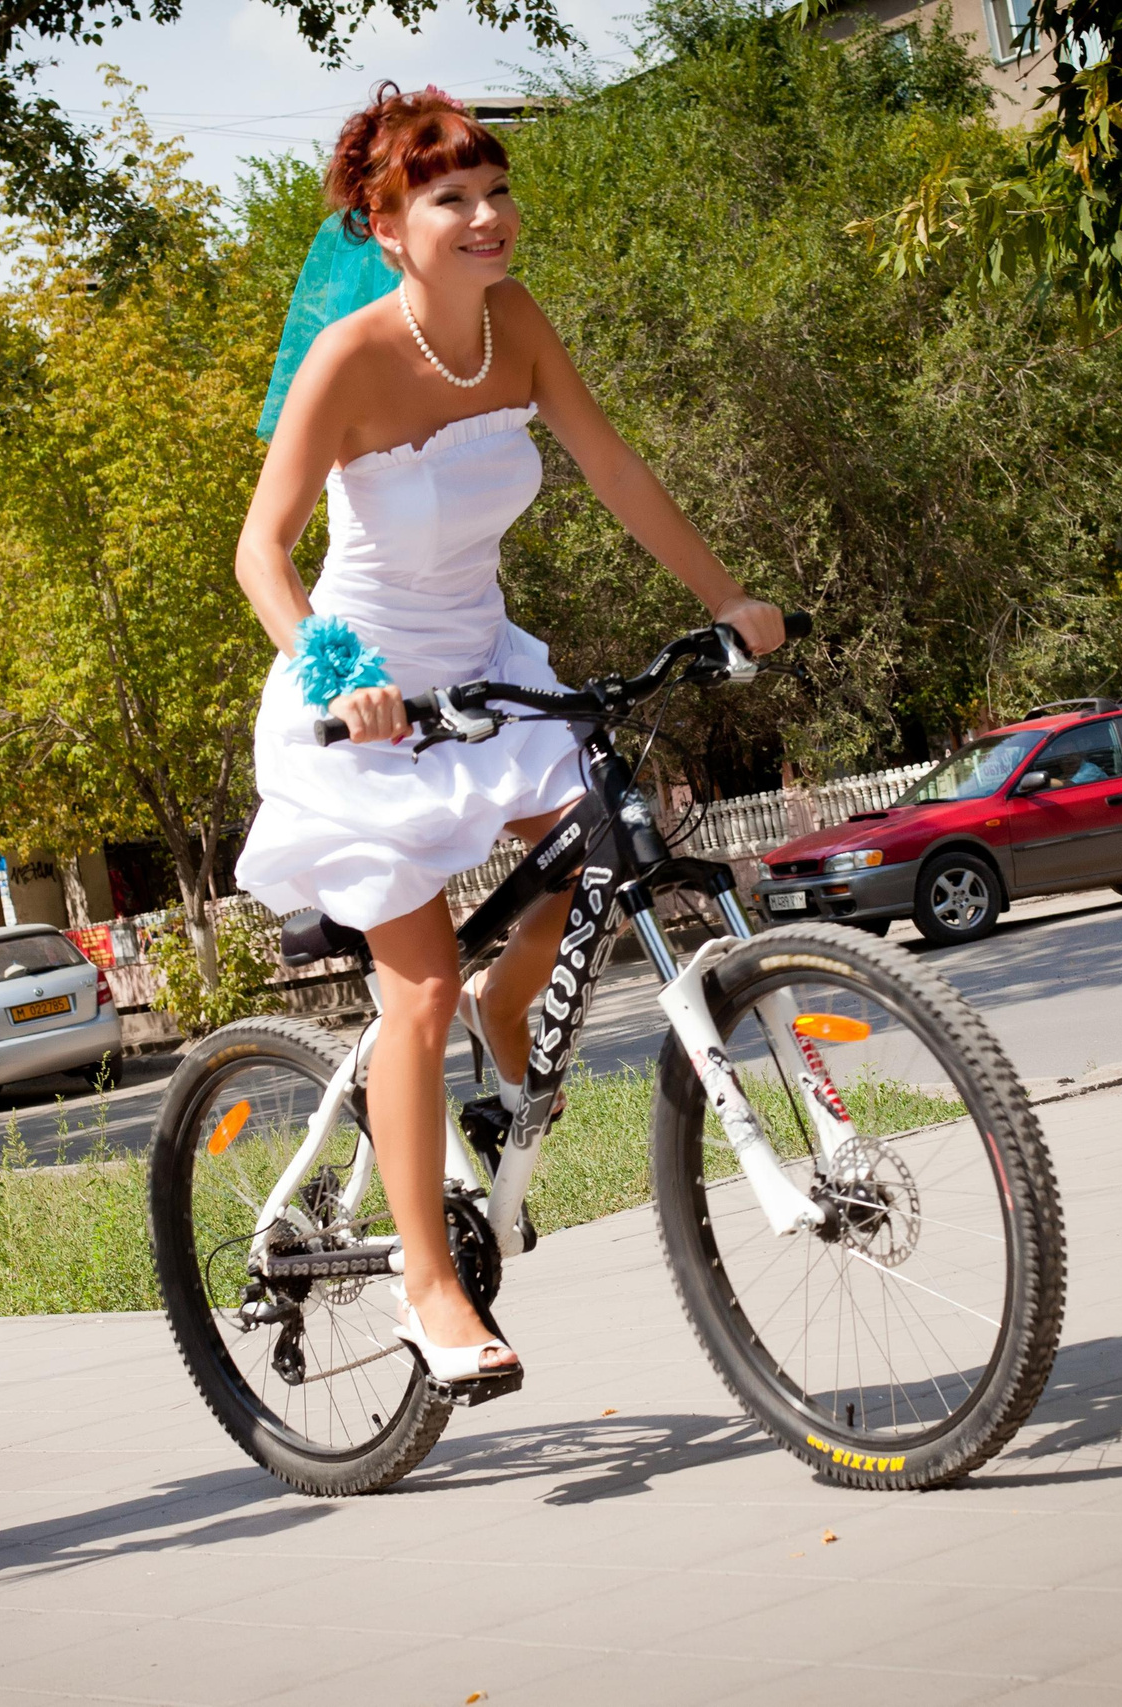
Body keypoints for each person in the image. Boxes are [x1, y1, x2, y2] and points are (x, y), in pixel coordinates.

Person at [231, 88, 785, 1385]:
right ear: (387, 228)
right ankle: (430, 1289)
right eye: (451, 198)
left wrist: (726, 598)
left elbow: (614, 466)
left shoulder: (517, 327)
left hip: (487, 673)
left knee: (606, 845)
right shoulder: (350, 361)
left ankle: (512, 1001)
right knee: (414, 985)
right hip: (364, 700)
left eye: (495, 189)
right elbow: (261, 549)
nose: (488, 217)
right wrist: (339, 673)